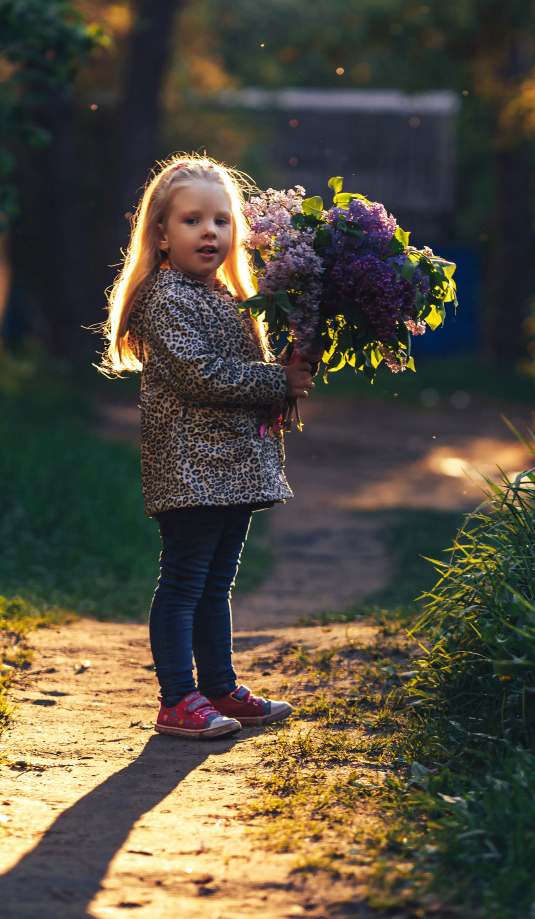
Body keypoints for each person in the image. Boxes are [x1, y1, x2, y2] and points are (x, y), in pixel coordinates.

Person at [103, 155, 315, 739]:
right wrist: (278, 382)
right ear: (162, 235)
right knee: (184, 580)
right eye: (193, 220)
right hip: (191, 466)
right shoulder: (166, 296)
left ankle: (218, 686)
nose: (209, 232)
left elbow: (244, 369)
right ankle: (177, 697)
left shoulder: (226, 294)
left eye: (221, 221)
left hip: (235, 463)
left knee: (217, 581)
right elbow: (203, 374)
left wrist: (294, 361)